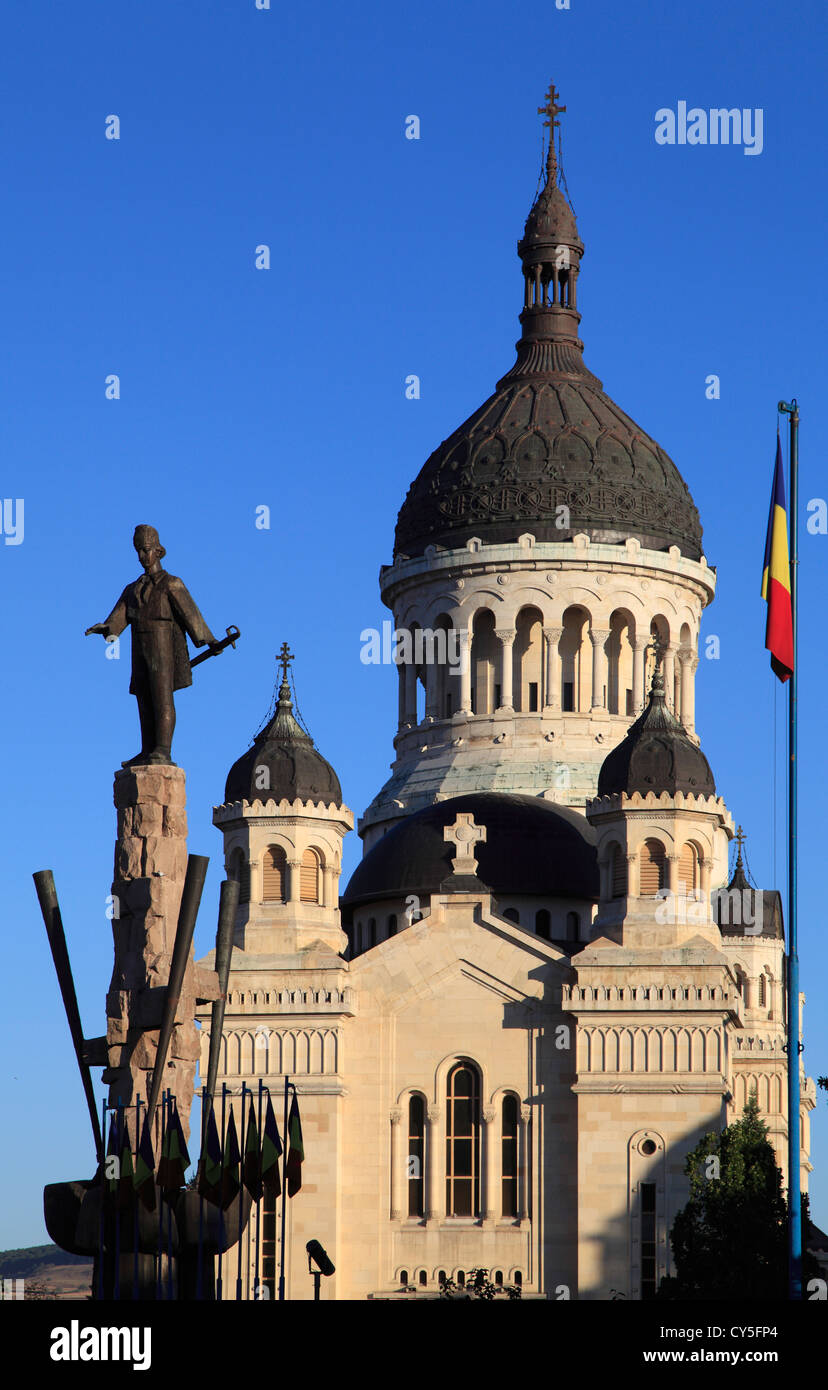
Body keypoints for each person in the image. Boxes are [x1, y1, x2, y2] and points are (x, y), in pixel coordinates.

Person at [85, 524, 221, 765]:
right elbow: (118, 619)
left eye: (146, 550)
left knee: (162, 696)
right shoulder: (132, 589)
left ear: (158, 551)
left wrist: (208, 639)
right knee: (144, 698)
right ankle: (147, 748)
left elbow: (192, 616)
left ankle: (163, 749)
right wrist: (105, 629)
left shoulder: (171, 583)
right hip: (139, 645)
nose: (141, 557)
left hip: (162, 643)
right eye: (138, 551)